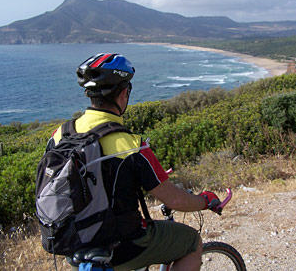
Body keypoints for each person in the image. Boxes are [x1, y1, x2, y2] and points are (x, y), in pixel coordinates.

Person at [49, 53, 221, 271]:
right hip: (123, 246)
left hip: (76, 247)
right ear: (123, 93)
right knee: (191, 242)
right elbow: (175, 201)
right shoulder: (131, 145)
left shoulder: (60, 135)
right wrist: (204, 201)